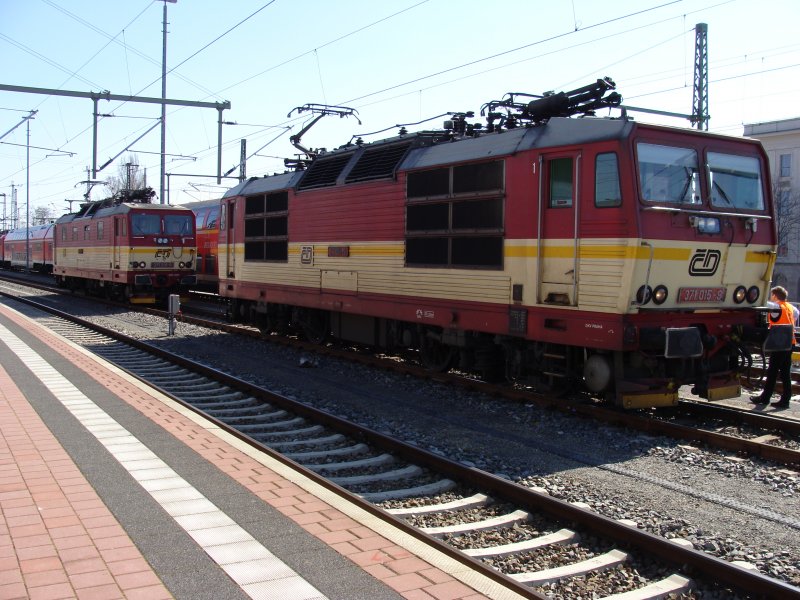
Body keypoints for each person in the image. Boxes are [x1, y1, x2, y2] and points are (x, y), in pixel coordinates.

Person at [751, 285, 796, 408]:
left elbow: (764, 304)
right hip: (790, 343)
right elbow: (796, 315)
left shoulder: (777, 307)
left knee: (772, 371)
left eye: (772, 295)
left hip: (779, 344)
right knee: (785, 372)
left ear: (775, 296)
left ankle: (765, 398)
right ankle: (785, 399)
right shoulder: (790, 307)